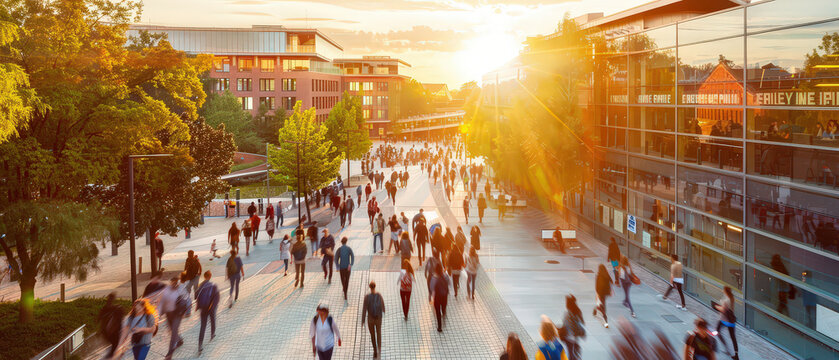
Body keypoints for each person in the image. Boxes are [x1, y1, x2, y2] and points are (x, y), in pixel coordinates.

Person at [160, 277, 187, 359]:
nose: (173, 284)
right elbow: (162, 301)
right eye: (172, 282)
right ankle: (179, 340)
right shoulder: (166, 290)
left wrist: (186, 311)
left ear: (177, 282)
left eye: (175, 282)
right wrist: (160, 313)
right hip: (168, 314)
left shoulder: (181, 289)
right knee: (172, 330)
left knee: (173, 333)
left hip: (177, 315)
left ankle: (169, 354)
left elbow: (187, 300)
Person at [195, 270, 219, 353]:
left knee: (203, 326)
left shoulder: (200, 285)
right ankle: (212, 334)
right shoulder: (213, 285)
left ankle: (200, 345)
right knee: (212, 320)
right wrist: (213, 307)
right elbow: (217, 298)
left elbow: (196, 296)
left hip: (203, 308)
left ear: (204, 276)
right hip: (210, 308)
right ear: (210, 276)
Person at [362, 281, 386, 358]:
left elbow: (364, 309)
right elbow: (383, 306)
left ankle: (375, 350)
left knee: (372, 335)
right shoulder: (379, 295)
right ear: (375, 287)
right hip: (378, 318)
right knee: (378, 333)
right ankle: (379, 348)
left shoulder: (367, 297)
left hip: (370, 319)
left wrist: (363, 320)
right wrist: (383, 311)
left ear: (370, 287)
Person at [713, 286, 739, 360]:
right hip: (731, 322)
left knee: (717, 331)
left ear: (725, 291)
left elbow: (723, 310)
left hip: (723, 320)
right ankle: (736, 355)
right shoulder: (731, 299)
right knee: (733, 338)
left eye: (723, 290)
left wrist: (716, 306)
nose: (722, 291)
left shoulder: (726, 300)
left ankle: (726, 348)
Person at [98, 292, 125, 359]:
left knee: (115, 343)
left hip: (113, 330)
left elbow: (120, 320)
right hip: (110, 331)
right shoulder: (112, 308)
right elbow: (100, 317)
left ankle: (114, 354)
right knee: (114, 343)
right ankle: (114, 354)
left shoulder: (117, 309)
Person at [560, 295, 585, 360]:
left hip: (569, 337)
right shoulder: (578, 311)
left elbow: (565, 325)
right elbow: (582, 323)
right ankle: (576, 351)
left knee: (570, 354)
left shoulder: (567, 313)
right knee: (573, 351)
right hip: (575, 336)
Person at [430, 263, 450, 332]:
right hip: (444, 296)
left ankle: (439, 326)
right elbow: (449, 283)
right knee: (443, 307)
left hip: (437, 297)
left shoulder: (434, 277)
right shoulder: (445, 276)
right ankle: (444, 312)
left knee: (438, 312)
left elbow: (431, 287)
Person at [594, 264, 613, 328]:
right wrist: (610, 290)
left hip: (600, 293)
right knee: (602, 304)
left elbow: (597, 286)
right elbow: (611, 282)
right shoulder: (607, 275)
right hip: (605, 293)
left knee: (602, 306)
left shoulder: (599, 276)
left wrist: (598, 294)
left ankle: (605, 322)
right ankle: (595, 310)